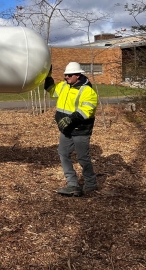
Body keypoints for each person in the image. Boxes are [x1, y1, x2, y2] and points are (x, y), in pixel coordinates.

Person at [44, 62, 98, 197]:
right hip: (66, 130)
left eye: (69, 75)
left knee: (82, 158)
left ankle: (91, 184)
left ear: (78, 75)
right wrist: (47, 76)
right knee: (63, 154)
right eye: (65, 75)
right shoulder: (64, 86)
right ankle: (72, 184)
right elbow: (51, 89)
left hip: (80, 130)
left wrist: (70, 119)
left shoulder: (87, 91)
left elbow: (87, 110)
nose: (66, 77)